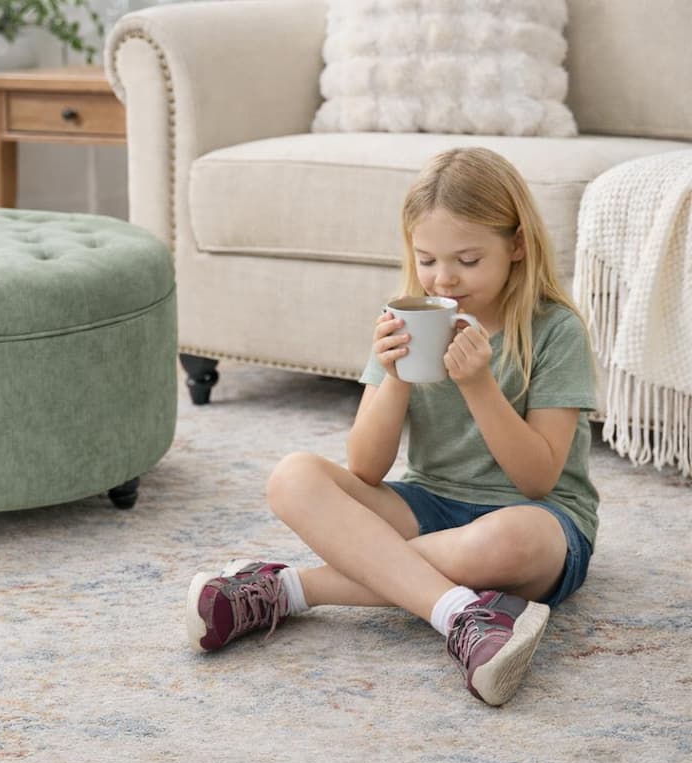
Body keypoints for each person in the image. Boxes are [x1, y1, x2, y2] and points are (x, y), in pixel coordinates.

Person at [185, 147, 599, 707]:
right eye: (426, 259)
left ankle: (288, 589)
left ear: (518, 245)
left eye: (469, 260)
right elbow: (367, 468)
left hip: (541, 522)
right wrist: (396, 376)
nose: (444, 278)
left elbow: (537, 479)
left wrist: (479, 385)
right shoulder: (403, 318)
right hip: (429, 502)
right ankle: (460, 614)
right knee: (293, 476)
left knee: (507, 539)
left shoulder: (556, 329)